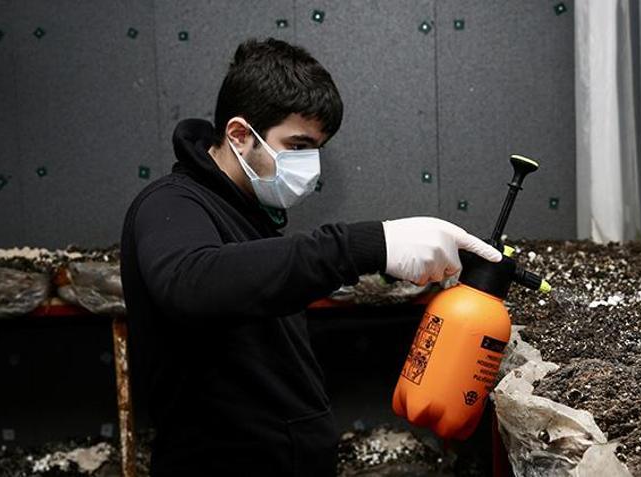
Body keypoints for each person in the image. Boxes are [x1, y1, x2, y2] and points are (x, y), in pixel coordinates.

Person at [119, 37, 501, 476]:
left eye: (317, 147)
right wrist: (371, 244)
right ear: (240, 135)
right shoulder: (170, 204)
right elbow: (193, 283)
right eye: (298, 145)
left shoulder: (251, 216)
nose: (310, 165)